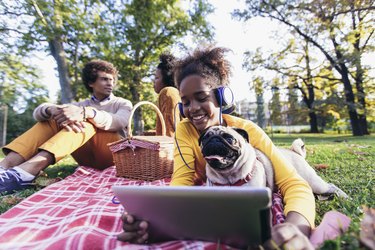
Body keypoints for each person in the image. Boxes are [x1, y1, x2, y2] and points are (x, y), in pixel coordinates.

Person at [118, 47, 315, 249]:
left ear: (222, 98)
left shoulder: (247, 131)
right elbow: (182, 181)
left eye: (202, 98)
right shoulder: (185, 130)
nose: (193, 108)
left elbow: (293, 184)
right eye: (185, 102)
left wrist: (295, 229)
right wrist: (156, 223)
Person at [0, 60, 133, 195]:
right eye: (104, 79)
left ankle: (26, 172)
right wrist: (51, 109)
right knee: (56, 118)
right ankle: (5, 166)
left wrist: (87, 112)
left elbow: (119, 121)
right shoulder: (79, 104)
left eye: (112, 80)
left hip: (112, 157)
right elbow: (38, 113)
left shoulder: (122, 103)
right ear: (91, 83)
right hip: (86, 157)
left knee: (85, 121)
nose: (110, 83)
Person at [153, 52, 181, 137]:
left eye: (157, 78)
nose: (154, 81)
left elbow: (170, 133)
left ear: (166, 79)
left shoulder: (168, 92)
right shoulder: (175, 93)